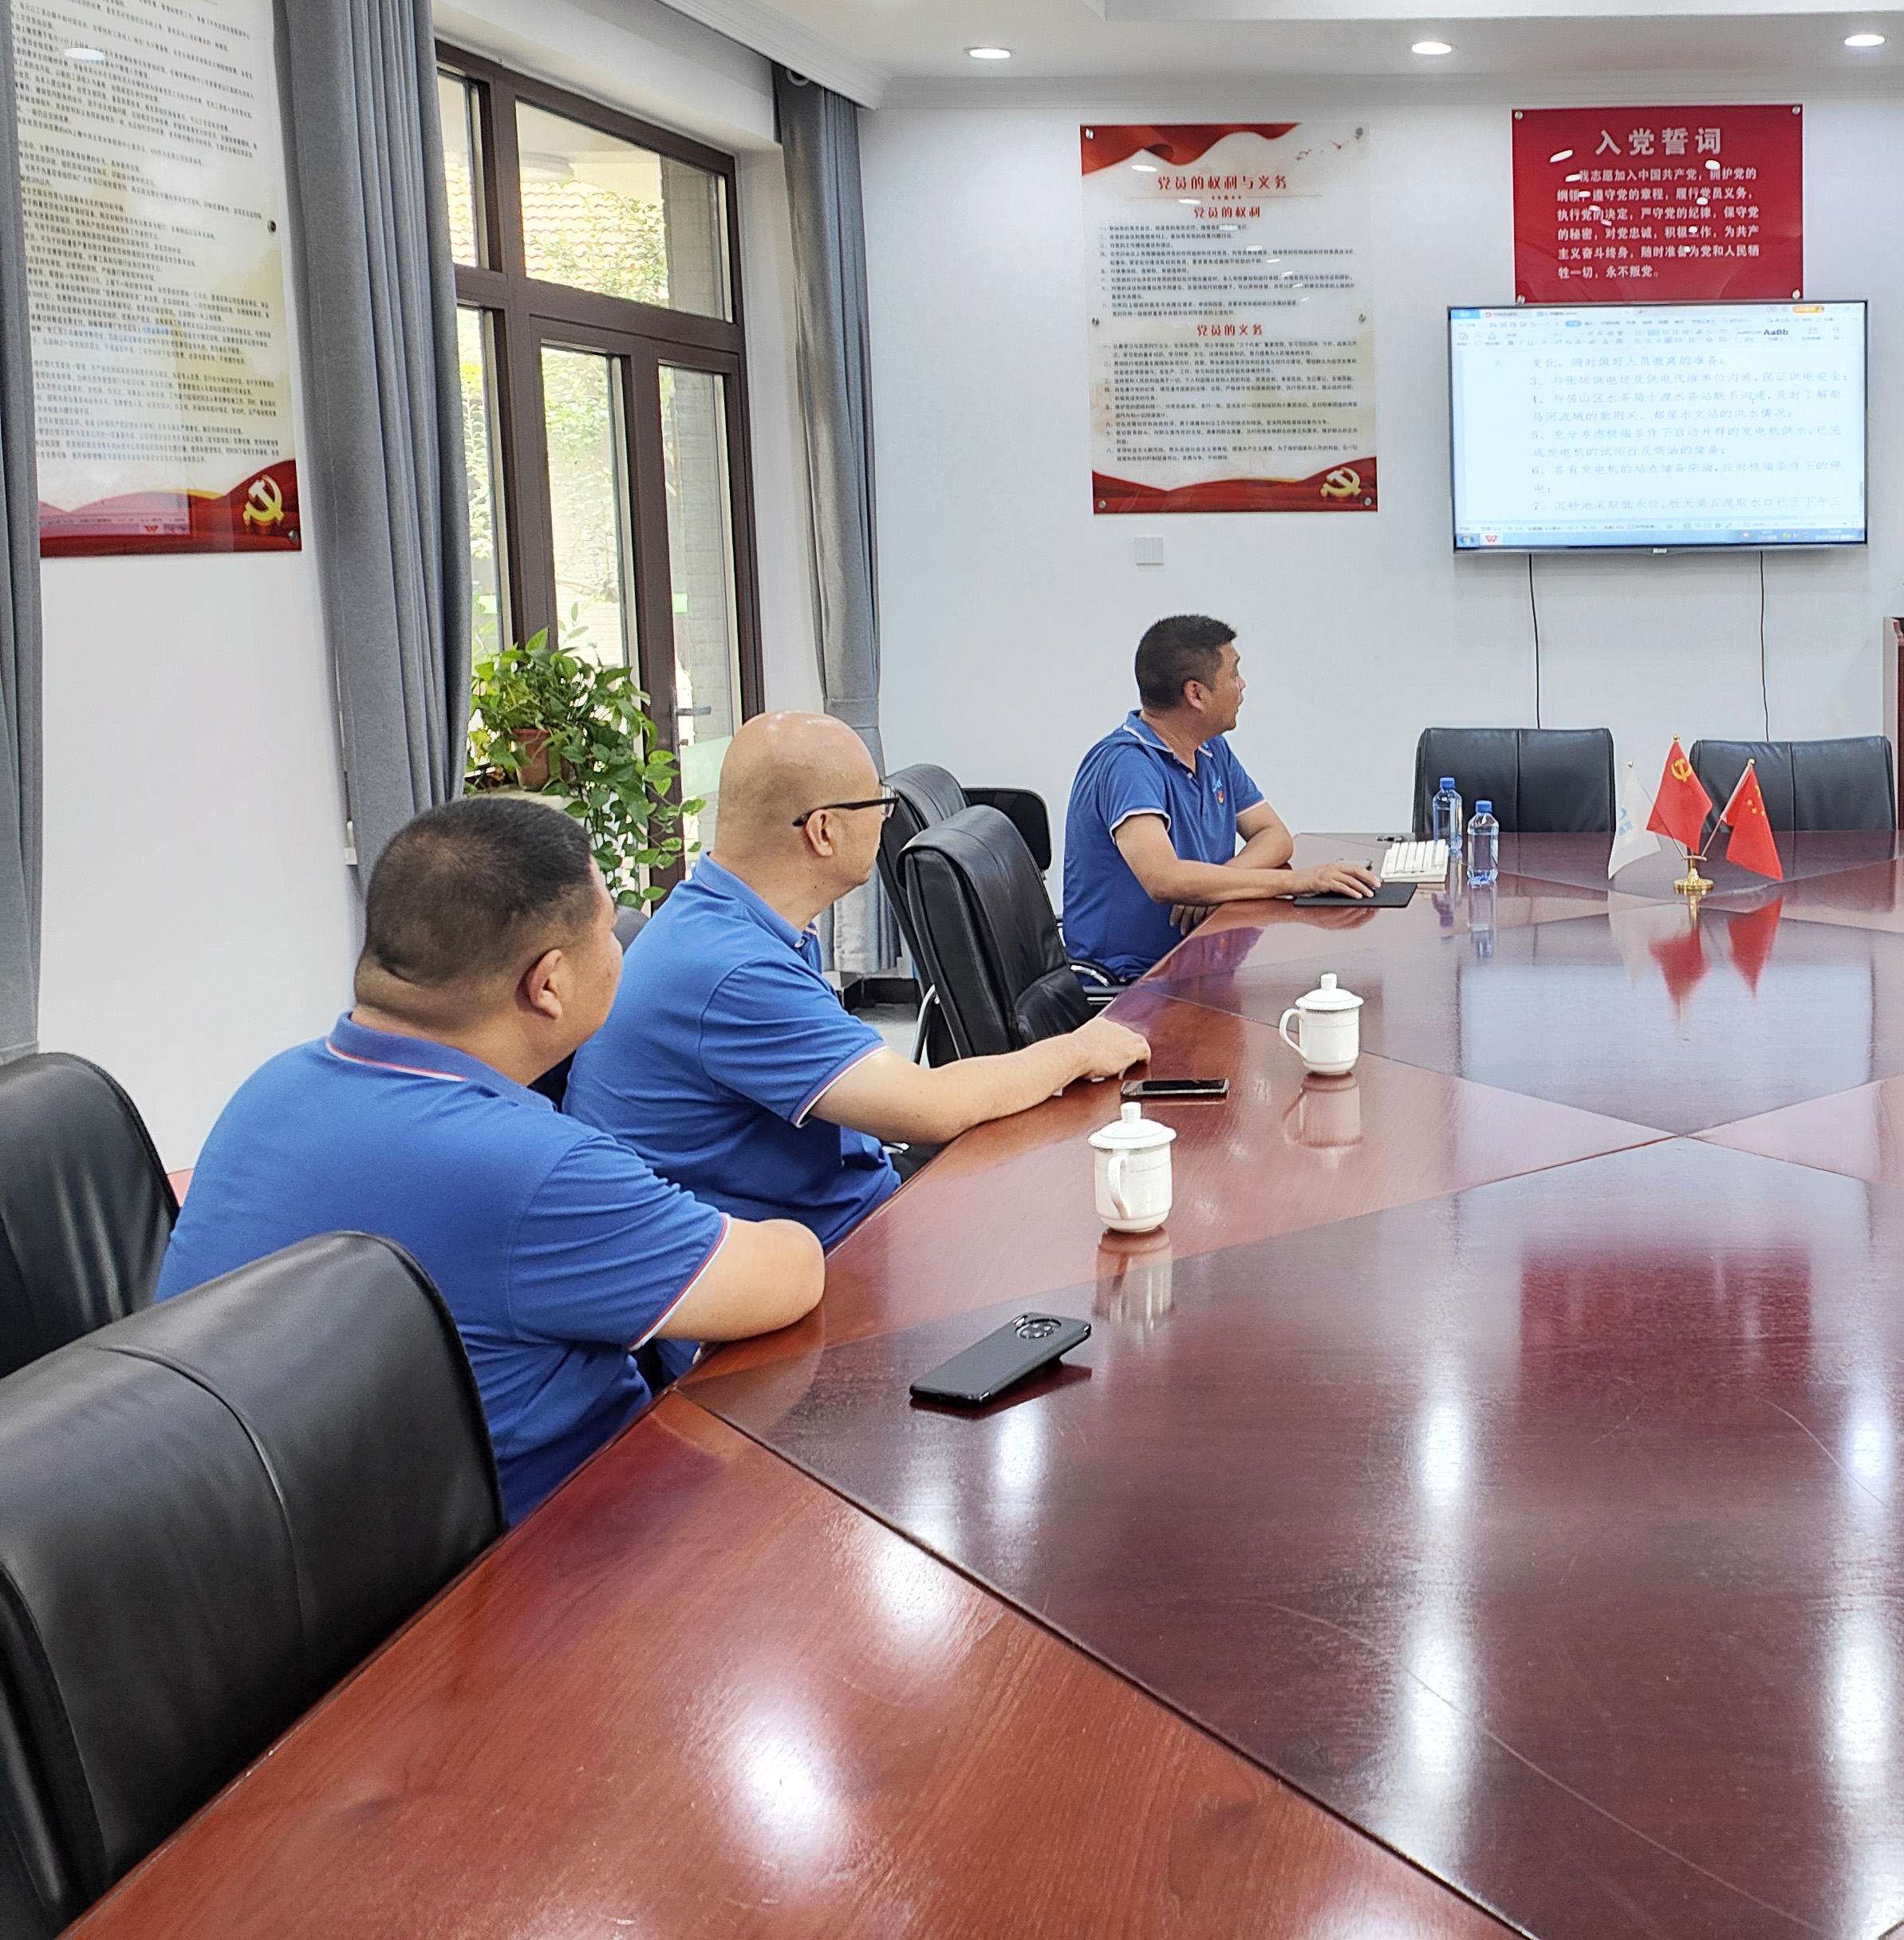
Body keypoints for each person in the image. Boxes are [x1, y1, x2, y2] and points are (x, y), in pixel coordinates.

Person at [159, 798, 822, 1523]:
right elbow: (788, 1277)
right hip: (545, 1553)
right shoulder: (532, 1170)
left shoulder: (269, 1088)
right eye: (609, 930)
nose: (621, 949)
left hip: (288, 1543)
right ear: (548, 983)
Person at [565, 711, 1148, 1245]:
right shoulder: (731, 969)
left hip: (835, 1200)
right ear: (824, 830)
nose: (886, 818)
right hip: (809, 1258)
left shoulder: (730, 918)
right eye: (879, 804)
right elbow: (928, 1107)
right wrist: (1079, 1049)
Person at [1062, 614, 1377, 983]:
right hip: (1131, 984)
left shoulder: (1212, 750)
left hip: (1199, 963)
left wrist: (1217, 885)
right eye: (1233, 673)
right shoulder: (1127, 765)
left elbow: (1274, 836)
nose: (1242, 685)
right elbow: (1163, 879)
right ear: (1196, 694)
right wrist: (1304, 882)